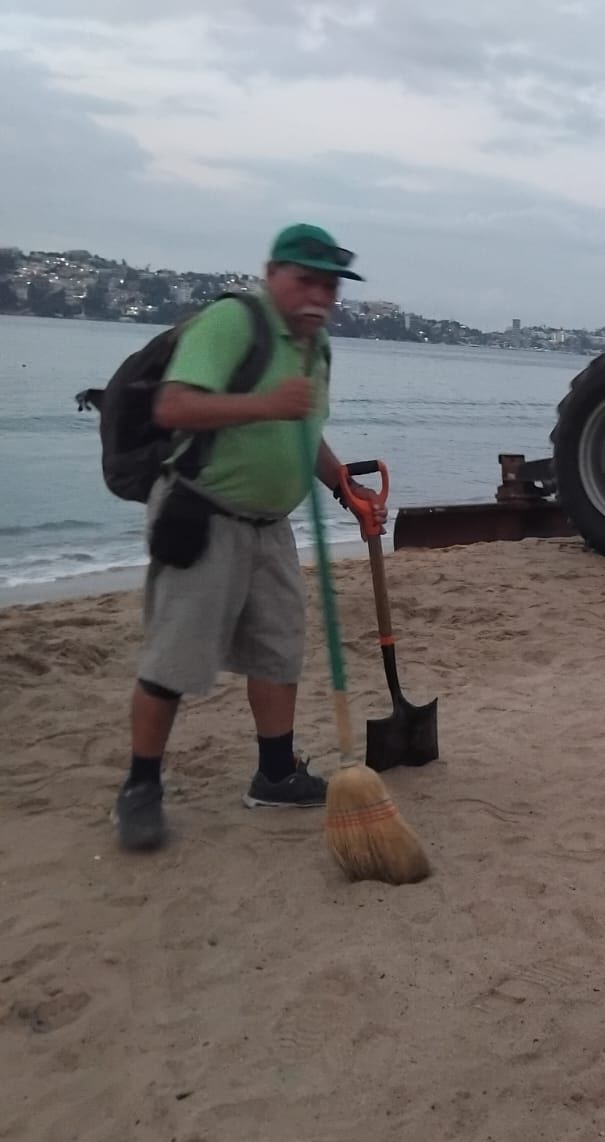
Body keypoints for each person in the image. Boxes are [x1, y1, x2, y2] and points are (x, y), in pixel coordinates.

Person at [114, 223, 388, 853]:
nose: (319, 296)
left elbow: (304, 429)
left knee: (277, 650)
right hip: (203, 512)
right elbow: (173, 407)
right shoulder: (233, 323)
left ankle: (275, 774)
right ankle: (140, 788)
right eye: (306, 280)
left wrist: (344, 487)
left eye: (330, 285)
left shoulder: (315, 348)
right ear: (273, 275)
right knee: (173, 659)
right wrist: (269, 404)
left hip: (271, 525)